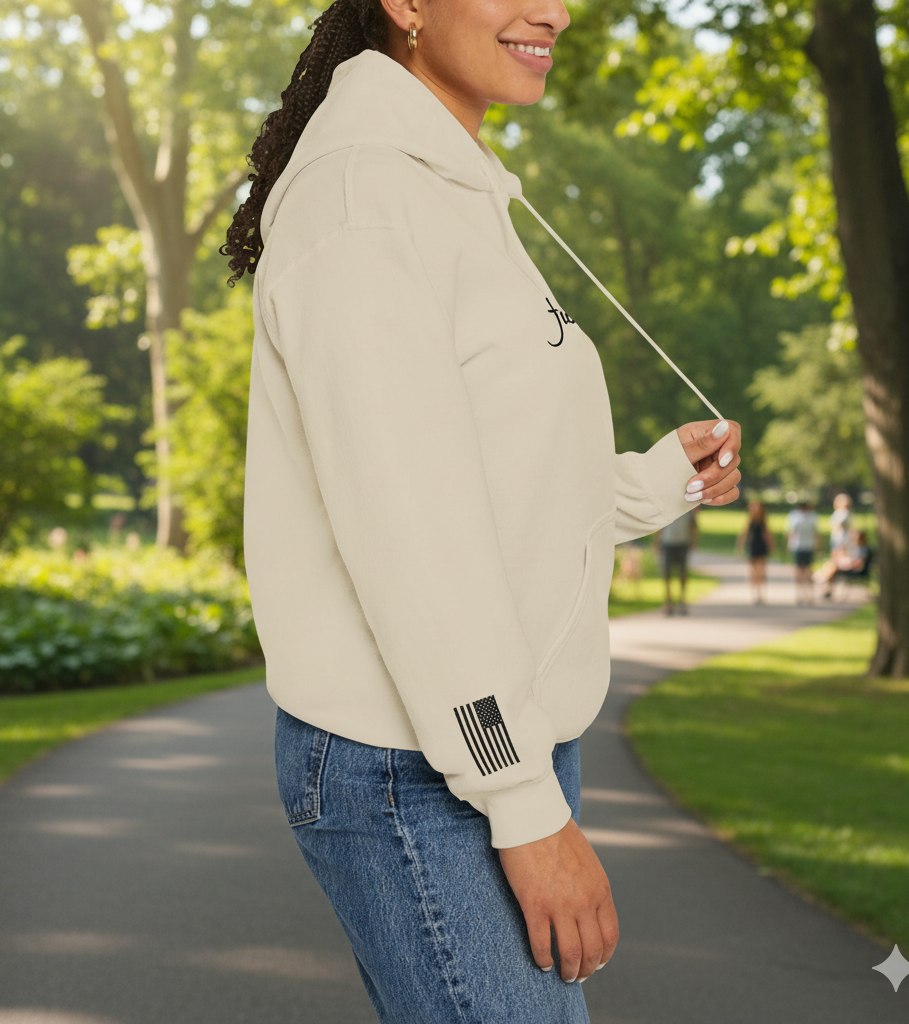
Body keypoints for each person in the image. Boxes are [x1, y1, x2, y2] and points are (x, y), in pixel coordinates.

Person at [223, 3, 743, 1020]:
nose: (551, 9)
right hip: (417, 769)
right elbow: (410, 535)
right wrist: (520, 803)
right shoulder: (361, 199)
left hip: (488, 744)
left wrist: (651, 480)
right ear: (407, 3)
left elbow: (484, 479)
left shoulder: (450, 187)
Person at [655, 509, 698, 615]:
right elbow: (659, 527)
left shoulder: (687, 510)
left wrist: (693, 541)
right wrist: (656, 543)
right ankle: (668, 602)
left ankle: (682, 601)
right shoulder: (666, 508)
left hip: (683, 543)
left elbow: (693, 526)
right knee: (666, 574)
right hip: (667, 543)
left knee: (682, 574)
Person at [815, 529, 870, 599]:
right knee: (834, 565)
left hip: (856, 569)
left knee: (835, 568)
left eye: (856, 537)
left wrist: (850, 563)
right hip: (852, 566)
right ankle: (826, 584)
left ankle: (825, 582)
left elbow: (859, 562)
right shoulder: (857, 548)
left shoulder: (863, 549)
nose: (854, 539)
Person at [736, 501, 773, 604]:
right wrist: (740, 549)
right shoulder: (750, 521)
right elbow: (744, 534)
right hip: (752, 547)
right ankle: (755, 593)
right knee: (753, 572)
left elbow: (767, 534)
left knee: (761, 572)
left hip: (761, 547)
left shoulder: (763, 521)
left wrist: (771, 546)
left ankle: (760, 593)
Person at [785, 500, 818, 605]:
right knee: (805, 571)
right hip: (805, 546)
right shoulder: (812, 516)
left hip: (801, 546)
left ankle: (802, 594)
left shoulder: (795, 516)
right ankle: (807, 595)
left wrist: (788, 545)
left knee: (802, 571)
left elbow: (791, 532)